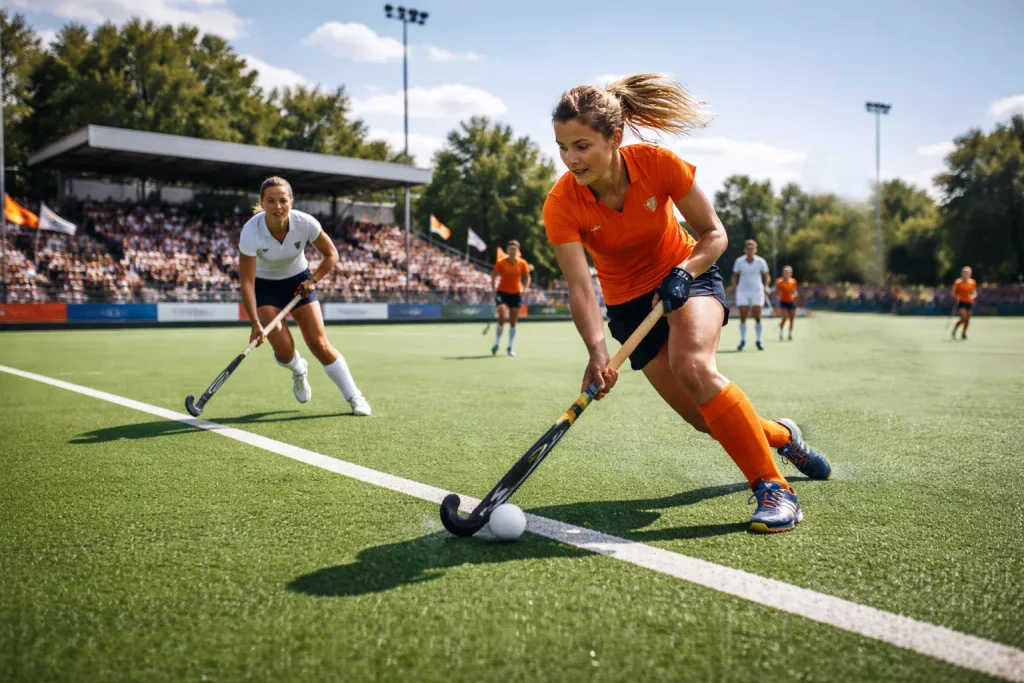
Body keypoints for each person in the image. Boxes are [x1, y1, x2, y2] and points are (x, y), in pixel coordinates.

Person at [543, 73, 831, 533]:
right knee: (703, 419)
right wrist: (597, 352)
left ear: (614, 137)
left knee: (693, 366)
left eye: (582, 146)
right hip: (629, 308)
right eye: (563, 147)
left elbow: (715, 235)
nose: (571, 159)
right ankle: (782, 436)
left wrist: (683, 272)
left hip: (688, 275)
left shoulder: (658, 164)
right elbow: (580, 287)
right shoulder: (561, 203)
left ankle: (774, 489)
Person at [238, 176, 372, 416]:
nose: (277, 206)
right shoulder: (250, 231)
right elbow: (246, 281)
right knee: (285, 350)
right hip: (265, 287)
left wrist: (313, 281)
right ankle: (299, 369)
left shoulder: (305, 223)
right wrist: (255, 323)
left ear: (291, 201)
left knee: (320, 345)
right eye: (271, 201)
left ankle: (355, 397)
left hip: (298, 282)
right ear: (262, 203)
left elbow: (331, 255)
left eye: (283, 200)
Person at [491, 240, 531, 357]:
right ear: (507, 250)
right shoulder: (501, 262)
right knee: (502, 316)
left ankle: (510, 346)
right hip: (502, 292)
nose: (512, 251)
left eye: (514, 249)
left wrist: (525, 288)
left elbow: (527, 278)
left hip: (516, 293)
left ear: (517, 250)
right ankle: (497, 343)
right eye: (510, 249)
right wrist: (494, 291)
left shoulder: (523, 263)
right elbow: (493, 277)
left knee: (513, 322)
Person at [730, 239, 771, 350]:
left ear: (755, 250)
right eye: (748, 248)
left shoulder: (761, 261)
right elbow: (734, 276)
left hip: (757, 291)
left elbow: (767, 276)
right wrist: (734, 287)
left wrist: (766, 286)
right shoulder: (739, 261)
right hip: (742, 291)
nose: (750, 250)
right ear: (745, 250)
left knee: (758, 316)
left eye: (752, 248)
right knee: (743, 317)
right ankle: (743, 340)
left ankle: (759, 340)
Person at [951, 266, 977, 340]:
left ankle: (964, 333)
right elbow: (953, 292)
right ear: (962, 273)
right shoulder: (958, 282)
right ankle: (955, 329)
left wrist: (973, 296)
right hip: (961, 302)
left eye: (967, 273)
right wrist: (957, 297)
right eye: (964, 272)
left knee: (967, 319)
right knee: (963, 318)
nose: (966, 274)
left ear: (970, 274)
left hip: (969, 302)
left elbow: (974, 292)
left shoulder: (972, 282)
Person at [775, 266, 799, 340]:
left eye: (788, 272)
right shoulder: (779, 282)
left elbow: (795, 291)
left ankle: (790, 334)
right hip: (783, 302)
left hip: (791, 302)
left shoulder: (793, 281)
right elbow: (777, 292)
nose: (786, 273)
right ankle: (781, 332)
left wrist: (794, 295)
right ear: (783, 273)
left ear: (791, 273)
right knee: (785, 317)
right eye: (785, 272)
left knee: (792, 319)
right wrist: (778, 296)